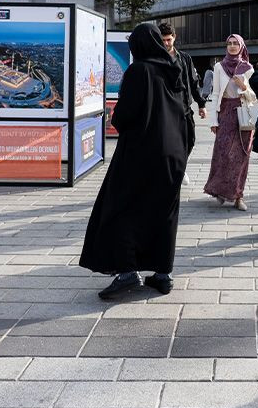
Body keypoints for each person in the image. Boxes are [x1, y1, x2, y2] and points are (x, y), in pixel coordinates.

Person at [80, 24, 188, 300]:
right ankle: (163, 275)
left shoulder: (139, 71)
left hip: (141, 152)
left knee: (122, 209)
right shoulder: (173, 69)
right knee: (164, 213)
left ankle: (127, 272)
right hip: (173, 153)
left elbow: (124, 116)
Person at [203, 35, 258, 211]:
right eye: (230, 43)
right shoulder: (219, 66)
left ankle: (237, 196)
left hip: (243, 114)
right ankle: (219, 190)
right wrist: (214, 120)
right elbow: (216, 92)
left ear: (241, 46)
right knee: (223, 153)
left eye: (236, 44)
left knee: (241, 156)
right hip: (225, 112)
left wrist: (244, 86)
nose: (232, 46)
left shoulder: (247, 68)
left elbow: (254, 97)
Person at [159, 22, 206, 186]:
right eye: (163, 40)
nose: (166, 43)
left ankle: (180, 167)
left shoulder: (185, 58)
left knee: (190, 139)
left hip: (184, 108)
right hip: (165, 111)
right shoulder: (156, 59)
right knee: (168, 144)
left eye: (168, 40)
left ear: (174, 38)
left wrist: (201, 104)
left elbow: (194, 82)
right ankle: (171, 172)